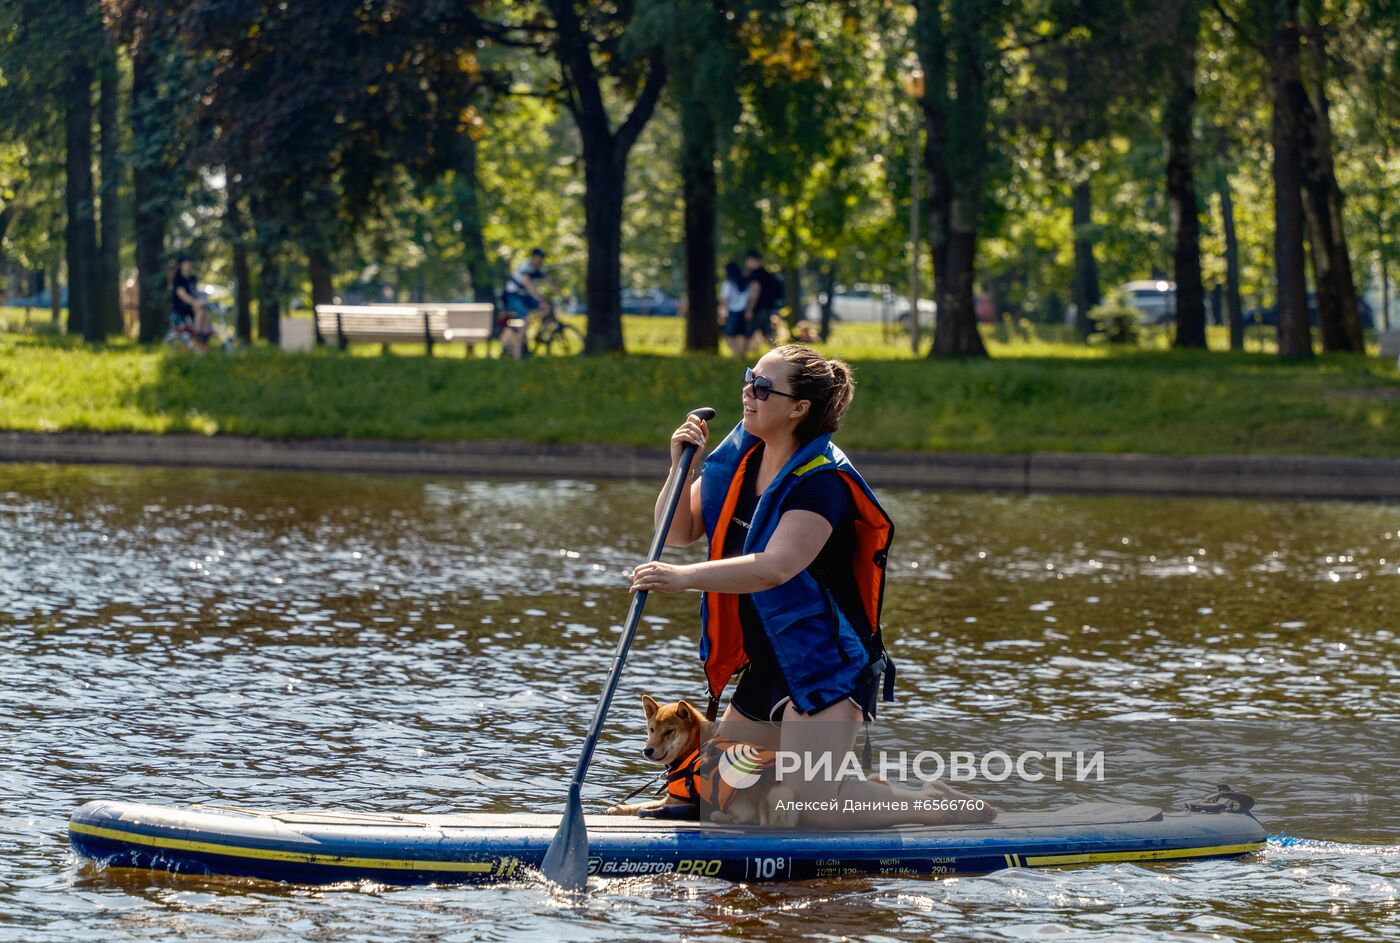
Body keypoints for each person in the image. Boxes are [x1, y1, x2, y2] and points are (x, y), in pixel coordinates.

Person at [631, 346, 996, 827]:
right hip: (765, 666)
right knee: (723, 793)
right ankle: (866, 792)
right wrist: (682, 467)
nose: (748, 392)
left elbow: (776, 567)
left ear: (799, 408)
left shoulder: (819, 483)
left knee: (810, 805)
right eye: (748, 378)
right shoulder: (740, 462)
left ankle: (934, 803)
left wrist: (682, 579)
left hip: (822, 666)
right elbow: (677, 531)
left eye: (762, 387)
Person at [500, 248, 553, 357]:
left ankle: (539, 334)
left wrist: (563, 295)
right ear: (533, 257)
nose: (540, 261)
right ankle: (517, 354)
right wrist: (541, 298)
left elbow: (550, 282)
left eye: (541, 259)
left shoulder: (539, 270)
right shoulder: (525, 267)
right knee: (526, 320)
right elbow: (529, 287)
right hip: (513, 296)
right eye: (538, 258)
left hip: (524, 297)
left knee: (547, 307)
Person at [743, 250, 781, 354]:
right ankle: (778, 354)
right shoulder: (766, 273)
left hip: (758, 308)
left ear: (752, 260)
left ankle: (741, 355)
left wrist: (749, 308)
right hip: (767, 307)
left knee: (748, 333)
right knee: (768, 333)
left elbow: (755, 291)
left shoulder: (756, 274)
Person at [170, 254, 211, 346]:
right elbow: (183, 295)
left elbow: (194, 293)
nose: (189, 264)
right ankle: (197, 335)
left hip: (192, 305)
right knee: (200, 309)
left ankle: (204, 336)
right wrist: (196, 302)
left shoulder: (192, 278)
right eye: (186, 263)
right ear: (181, 265)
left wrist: (201, 301)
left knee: (204, 312)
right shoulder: (178, 279)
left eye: (190, 262)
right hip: (181, 306)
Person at [719, 261, 756, 360]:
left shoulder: (728, 283)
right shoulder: (745, 282)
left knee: (729, 334)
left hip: (732, 311)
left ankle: (735, 354)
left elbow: (725, 298)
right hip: (744, 311)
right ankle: (741, 354)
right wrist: (749, 310)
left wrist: (723, 311)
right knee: (741, 334)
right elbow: (750, 298)